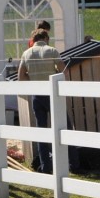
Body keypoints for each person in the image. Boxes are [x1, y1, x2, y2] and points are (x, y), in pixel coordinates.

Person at [18, 28, 65, 174]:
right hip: (51, 94)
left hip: (37, 96)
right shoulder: (52, 51)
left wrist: (33, 80)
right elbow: (63, 71)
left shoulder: (26, 53)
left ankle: (46, 166)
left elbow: (21, 76)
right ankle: (71, 162)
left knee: (41, 131)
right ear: (45, 38)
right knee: (64, 126)